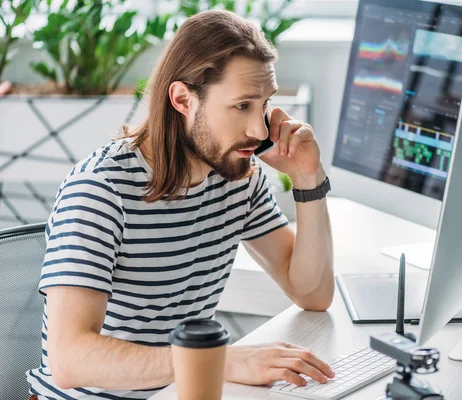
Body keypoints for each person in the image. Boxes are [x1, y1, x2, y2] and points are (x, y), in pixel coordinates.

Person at [27, 10, 335, 400]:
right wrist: (218, 360)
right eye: (241, 106)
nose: (259, 131)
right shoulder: (100, 190)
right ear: (182, 99)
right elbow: (69, 360)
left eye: (264, 104)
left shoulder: (237, 175)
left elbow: (312, 293)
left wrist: (309, 179)